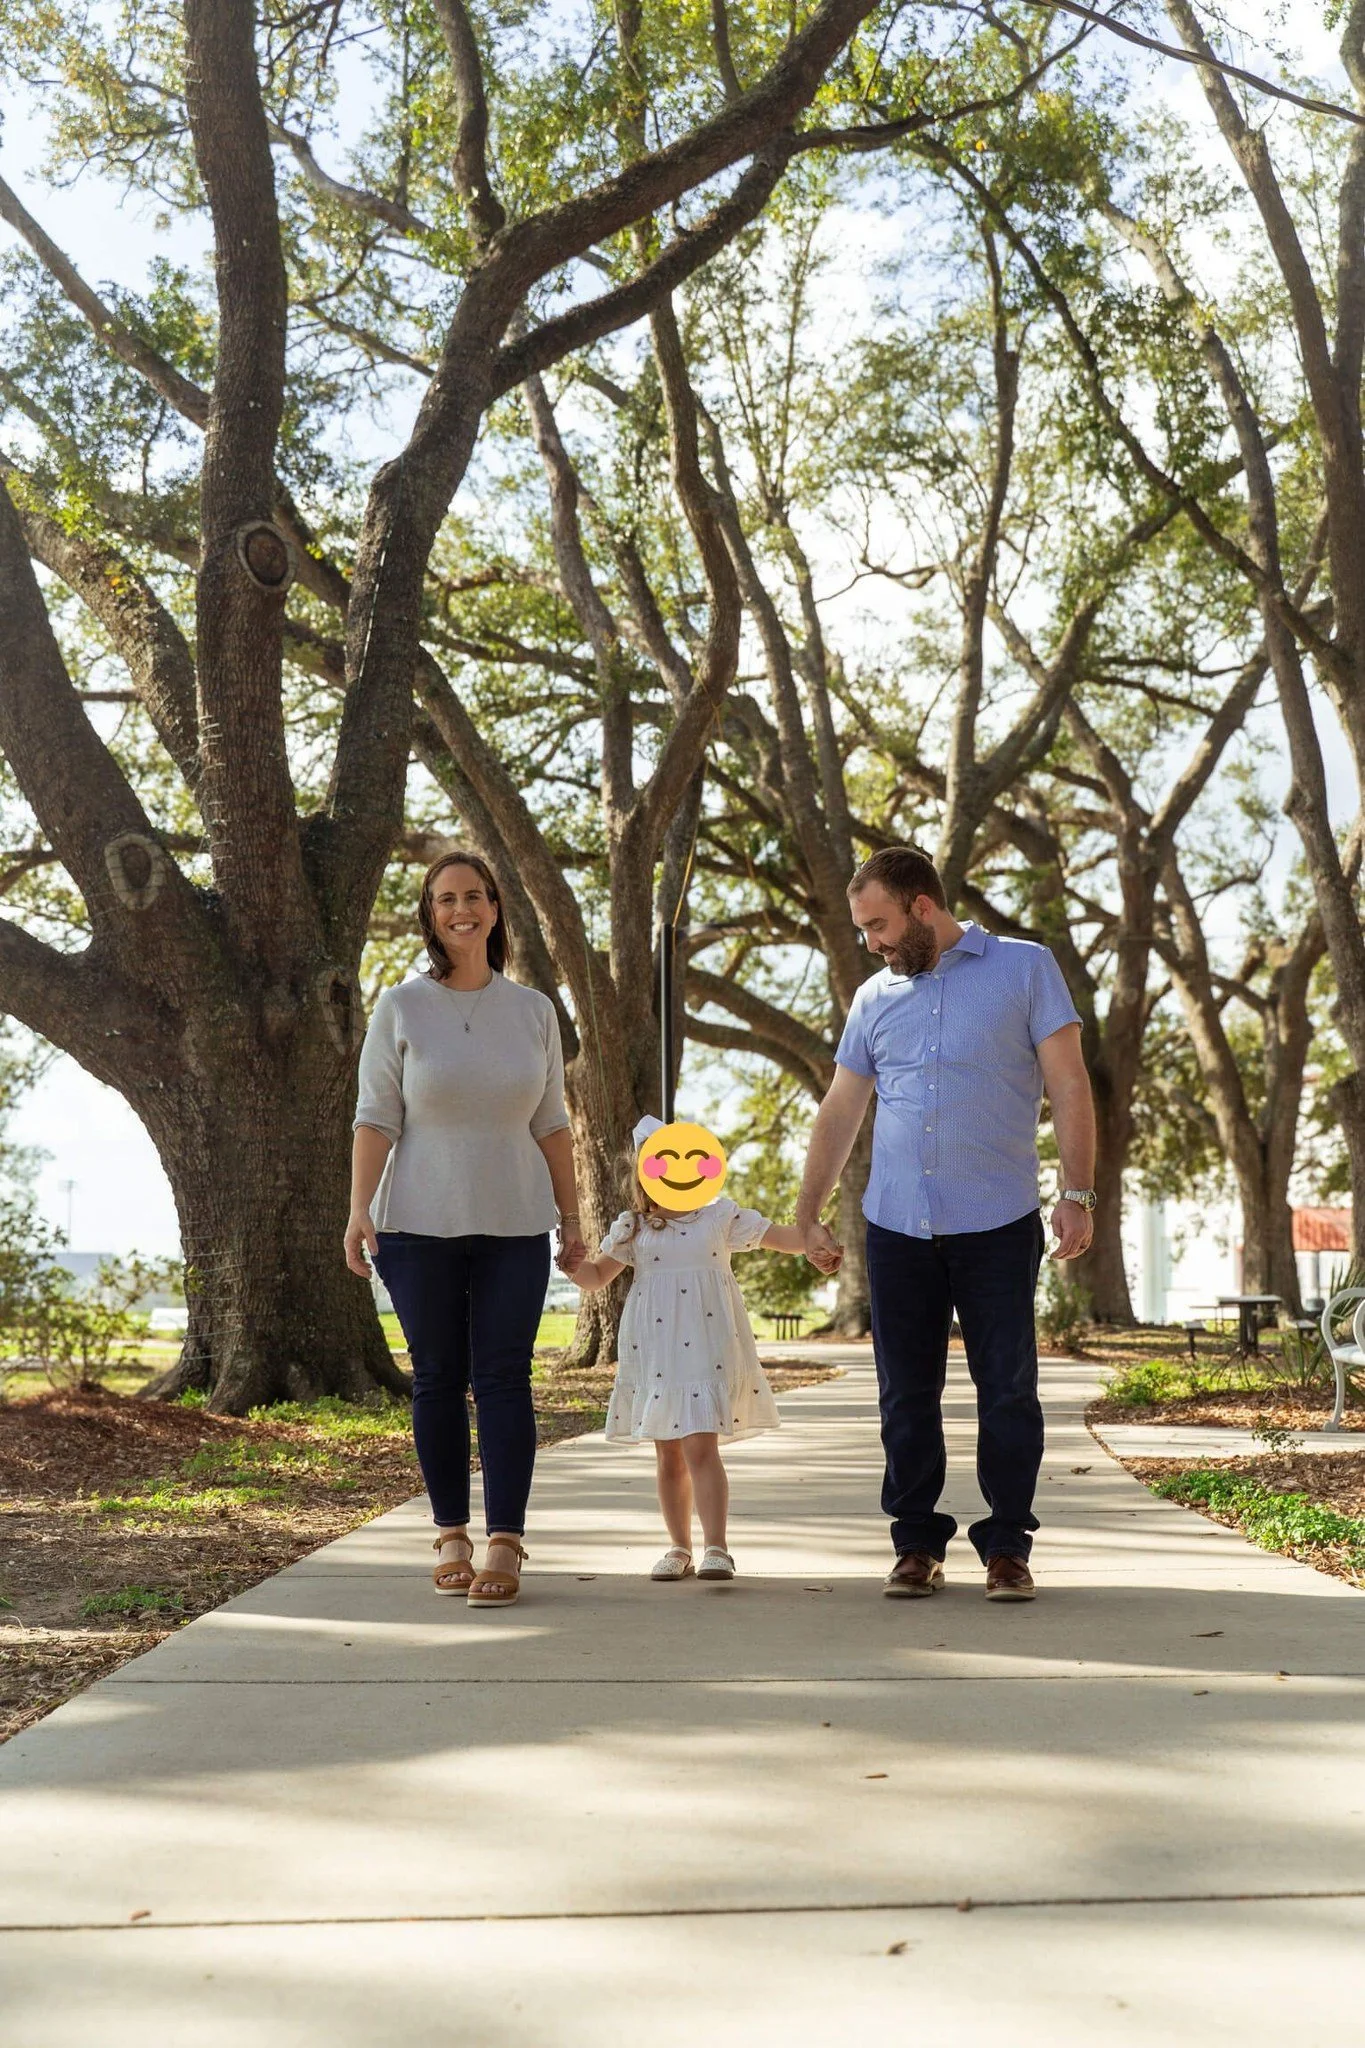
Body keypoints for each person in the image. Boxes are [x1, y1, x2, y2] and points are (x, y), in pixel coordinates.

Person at [795, 846, 1095, 1602]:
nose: (872, 942)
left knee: (1006, 1391)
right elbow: (840, 1110)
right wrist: (807, 1214)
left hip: (996, 1221)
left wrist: (1078, 1193)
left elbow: (1067, 1084)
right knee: (904, 1393)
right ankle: (915, 1542)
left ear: (922, 907)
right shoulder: (873, 998)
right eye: (864, 930)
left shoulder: (1024, 968)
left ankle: (1006, 1546)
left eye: (880, 925)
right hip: (895, 1225)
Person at [344, 850, 586, 1609]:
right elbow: (377, 1115)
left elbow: (552, 1122)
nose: (462, 910)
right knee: (439, 1378)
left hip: (515, 1222)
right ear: (430, 913)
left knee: (505, 1378)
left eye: (475, 896)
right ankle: (450, 1531)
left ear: (494, 909)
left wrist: (572, 1220)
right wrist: (358, 1208)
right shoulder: (402, 1007)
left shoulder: (534, 1010)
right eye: (446, 899)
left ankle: (506, 1540)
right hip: (416, 1222)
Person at [567, 1116, 822, 1582]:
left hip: (706, 1344)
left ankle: (716, 1547)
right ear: (645, 1173)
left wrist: (813, 1240)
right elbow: (596, 1277)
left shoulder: (720, 1217)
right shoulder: (634, 1227)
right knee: (667, 1451)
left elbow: (781, 1239)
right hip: (657, 1348)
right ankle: (678, 1546)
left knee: (701, 1445)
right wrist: (571, 1263)